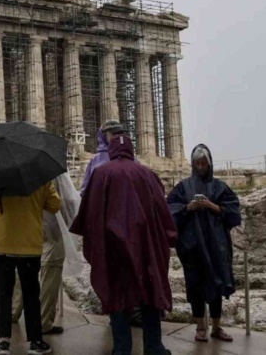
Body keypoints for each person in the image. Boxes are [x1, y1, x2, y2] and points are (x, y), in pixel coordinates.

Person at [70, 135, 177, 355]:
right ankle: (154, 347)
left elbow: (89, 212)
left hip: (113, 249)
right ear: (130, 150)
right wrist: (170, 236)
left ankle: (121, 348)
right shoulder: (147, 174)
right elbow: (161, 209)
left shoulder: (101, 174)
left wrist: (93, 241)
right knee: (149, 293)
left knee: (117, 295)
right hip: (144, 245)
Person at [167, 144, 241, 342]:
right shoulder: (183, 187)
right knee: (195, 285)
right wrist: (188, 207)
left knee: (216, 283)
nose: (200, 166)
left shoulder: (219, 186)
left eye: (204, 163)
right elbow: (170, 211)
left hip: (217, 245)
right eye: (197, 163)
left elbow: (234, 212)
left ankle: (217, 326)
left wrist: (213, 206)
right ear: (192, 164)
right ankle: (200, 327)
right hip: (192, 247)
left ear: (209, 164)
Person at [0, 180, 61, 355]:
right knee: (31, 293)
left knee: (3, 292)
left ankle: (3, 342)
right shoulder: (41, 176)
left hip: (2, 243)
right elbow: (55, 205)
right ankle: (36, 341)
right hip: (29, 245)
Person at [11, 173, 84, 336]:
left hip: (27, 227)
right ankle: (43, 322)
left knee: (23, 270)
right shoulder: (55, 172)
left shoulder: (21, 169)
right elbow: (67, 201)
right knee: (50, 276)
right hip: (53, 230)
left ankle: (13, 311)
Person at [80, 119, 125, 196]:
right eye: (114, 134)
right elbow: (86, 189)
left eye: (120, 134)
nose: (118, 137)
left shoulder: (131, 158)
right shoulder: (96, 160)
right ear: (104, 136)